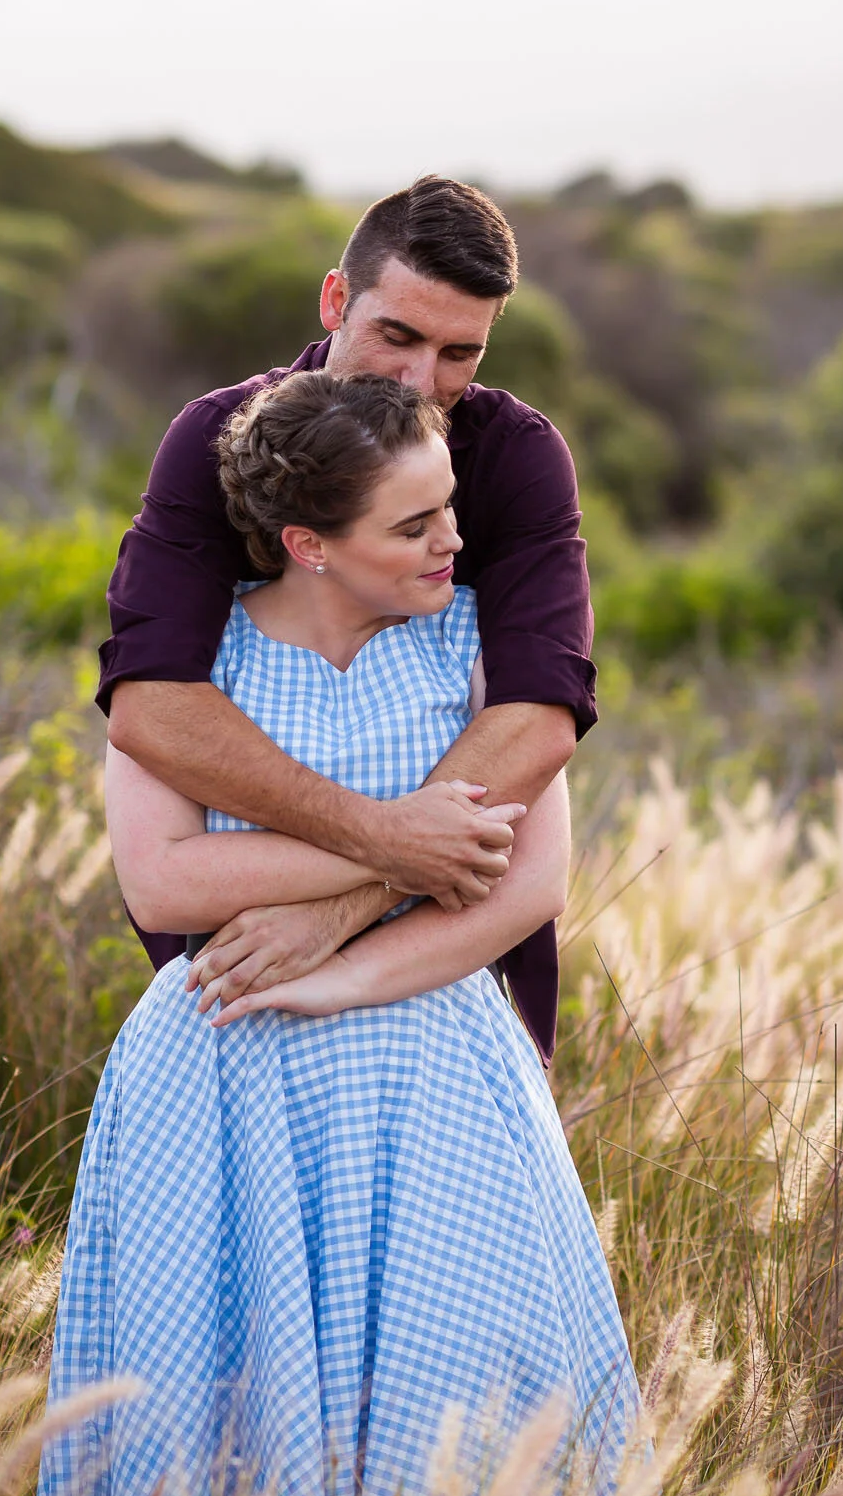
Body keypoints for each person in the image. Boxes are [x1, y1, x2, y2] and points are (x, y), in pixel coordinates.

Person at [33, 372, 640, 1496]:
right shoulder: (191, 676)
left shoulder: (474, 653)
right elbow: (161, 881)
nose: (454, 542)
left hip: (434, 1079)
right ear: (308, 543)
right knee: (212, 1445)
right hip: (217, 1075)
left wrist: (334, 964)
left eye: (451, 509)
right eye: (414, 525)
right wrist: (399, 837)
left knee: (451, 1445)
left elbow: (525, 881)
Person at [99, 175, 598, 1060]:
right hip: (239, 993)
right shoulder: (217, 441)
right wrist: (386, 839)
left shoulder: (518, 457)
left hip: (451, 978)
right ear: (336, 299)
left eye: (460, 353)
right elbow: (153, 704)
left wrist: (342, 910)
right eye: (395, 335)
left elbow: (538, 712)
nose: (422, 380)